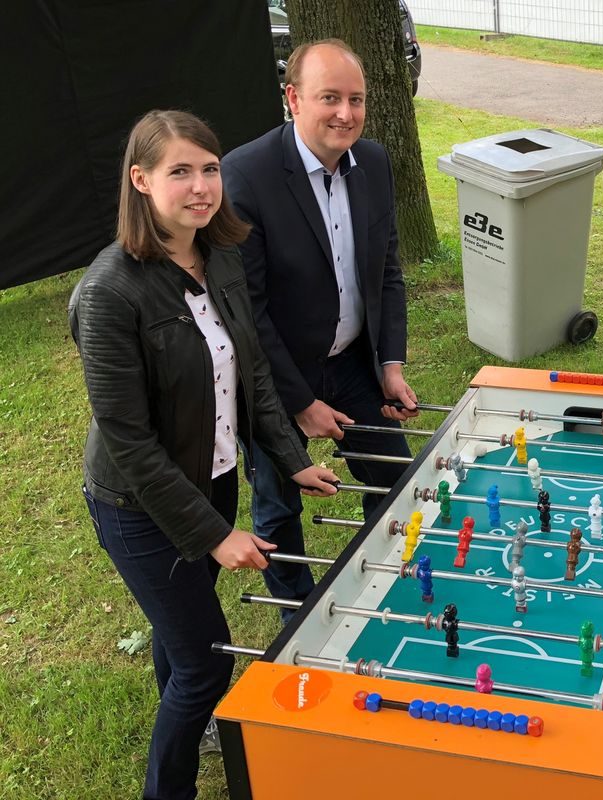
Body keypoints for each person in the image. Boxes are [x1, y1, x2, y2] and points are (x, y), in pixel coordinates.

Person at [69, 109, 339, 800]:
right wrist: (216, 535)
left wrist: (291, 458)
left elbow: (252, 374)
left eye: (210, 169)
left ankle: (184, 722)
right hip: (137, 506)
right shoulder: (108, 292)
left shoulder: (220, 255)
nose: (201, 186)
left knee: (181, 629)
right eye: (180, 171)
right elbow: (129, 442)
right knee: (204, 664)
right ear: (141, 180)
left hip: (213, 478)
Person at [222, 39, 419, 610]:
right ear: (293, 98)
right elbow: (248, 311)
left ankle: (387, 578)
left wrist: (390, 363)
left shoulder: (374, 163)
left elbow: (387, 271)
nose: (345, 114)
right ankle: (294, 609)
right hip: (274, 379)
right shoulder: (246, 176)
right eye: (329, 97)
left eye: (356, 99)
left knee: (393, 477)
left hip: (353, 363)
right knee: (278, 502)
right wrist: (301, 402)